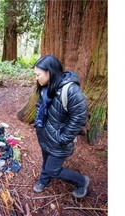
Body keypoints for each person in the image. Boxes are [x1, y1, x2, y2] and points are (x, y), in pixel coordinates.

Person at [32, 54, 89, 198]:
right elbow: (40, 105)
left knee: (53, 169)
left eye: (38, 75)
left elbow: (80, 117)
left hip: (59, 140)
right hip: (45, 135)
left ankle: (82, 181)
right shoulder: (45, 86)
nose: (36, 78)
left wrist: (63, 138)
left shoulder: (70, 90)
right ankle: (44, 180)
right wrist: (39, 125)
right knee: (46, 160)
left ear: (49, 72)